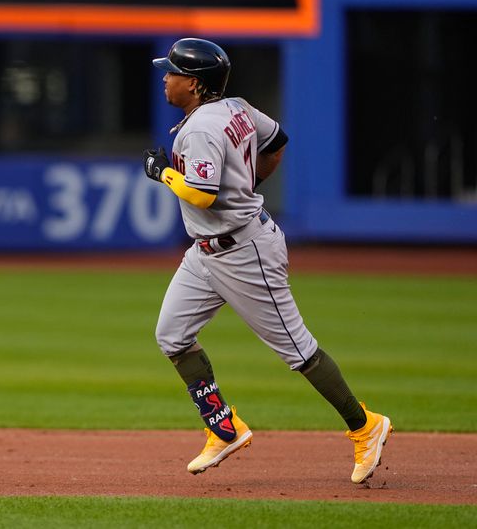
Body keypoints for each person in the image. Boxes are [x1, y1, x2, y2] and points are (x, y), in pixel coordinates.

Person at [142, 38, 392, 484]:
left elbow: (202, 193)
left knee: (297, 349)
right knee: (172, 335)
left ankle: (364, 426)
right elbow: (277, 140)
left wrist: (162, 172)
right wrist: (249, 180)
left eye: (174, 72)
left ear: (195, 85)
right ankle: (224, 428)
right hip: (206, 251)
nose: (166, 77)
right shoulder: (236, 107)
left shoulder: (201, 128)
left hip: (243, 250)